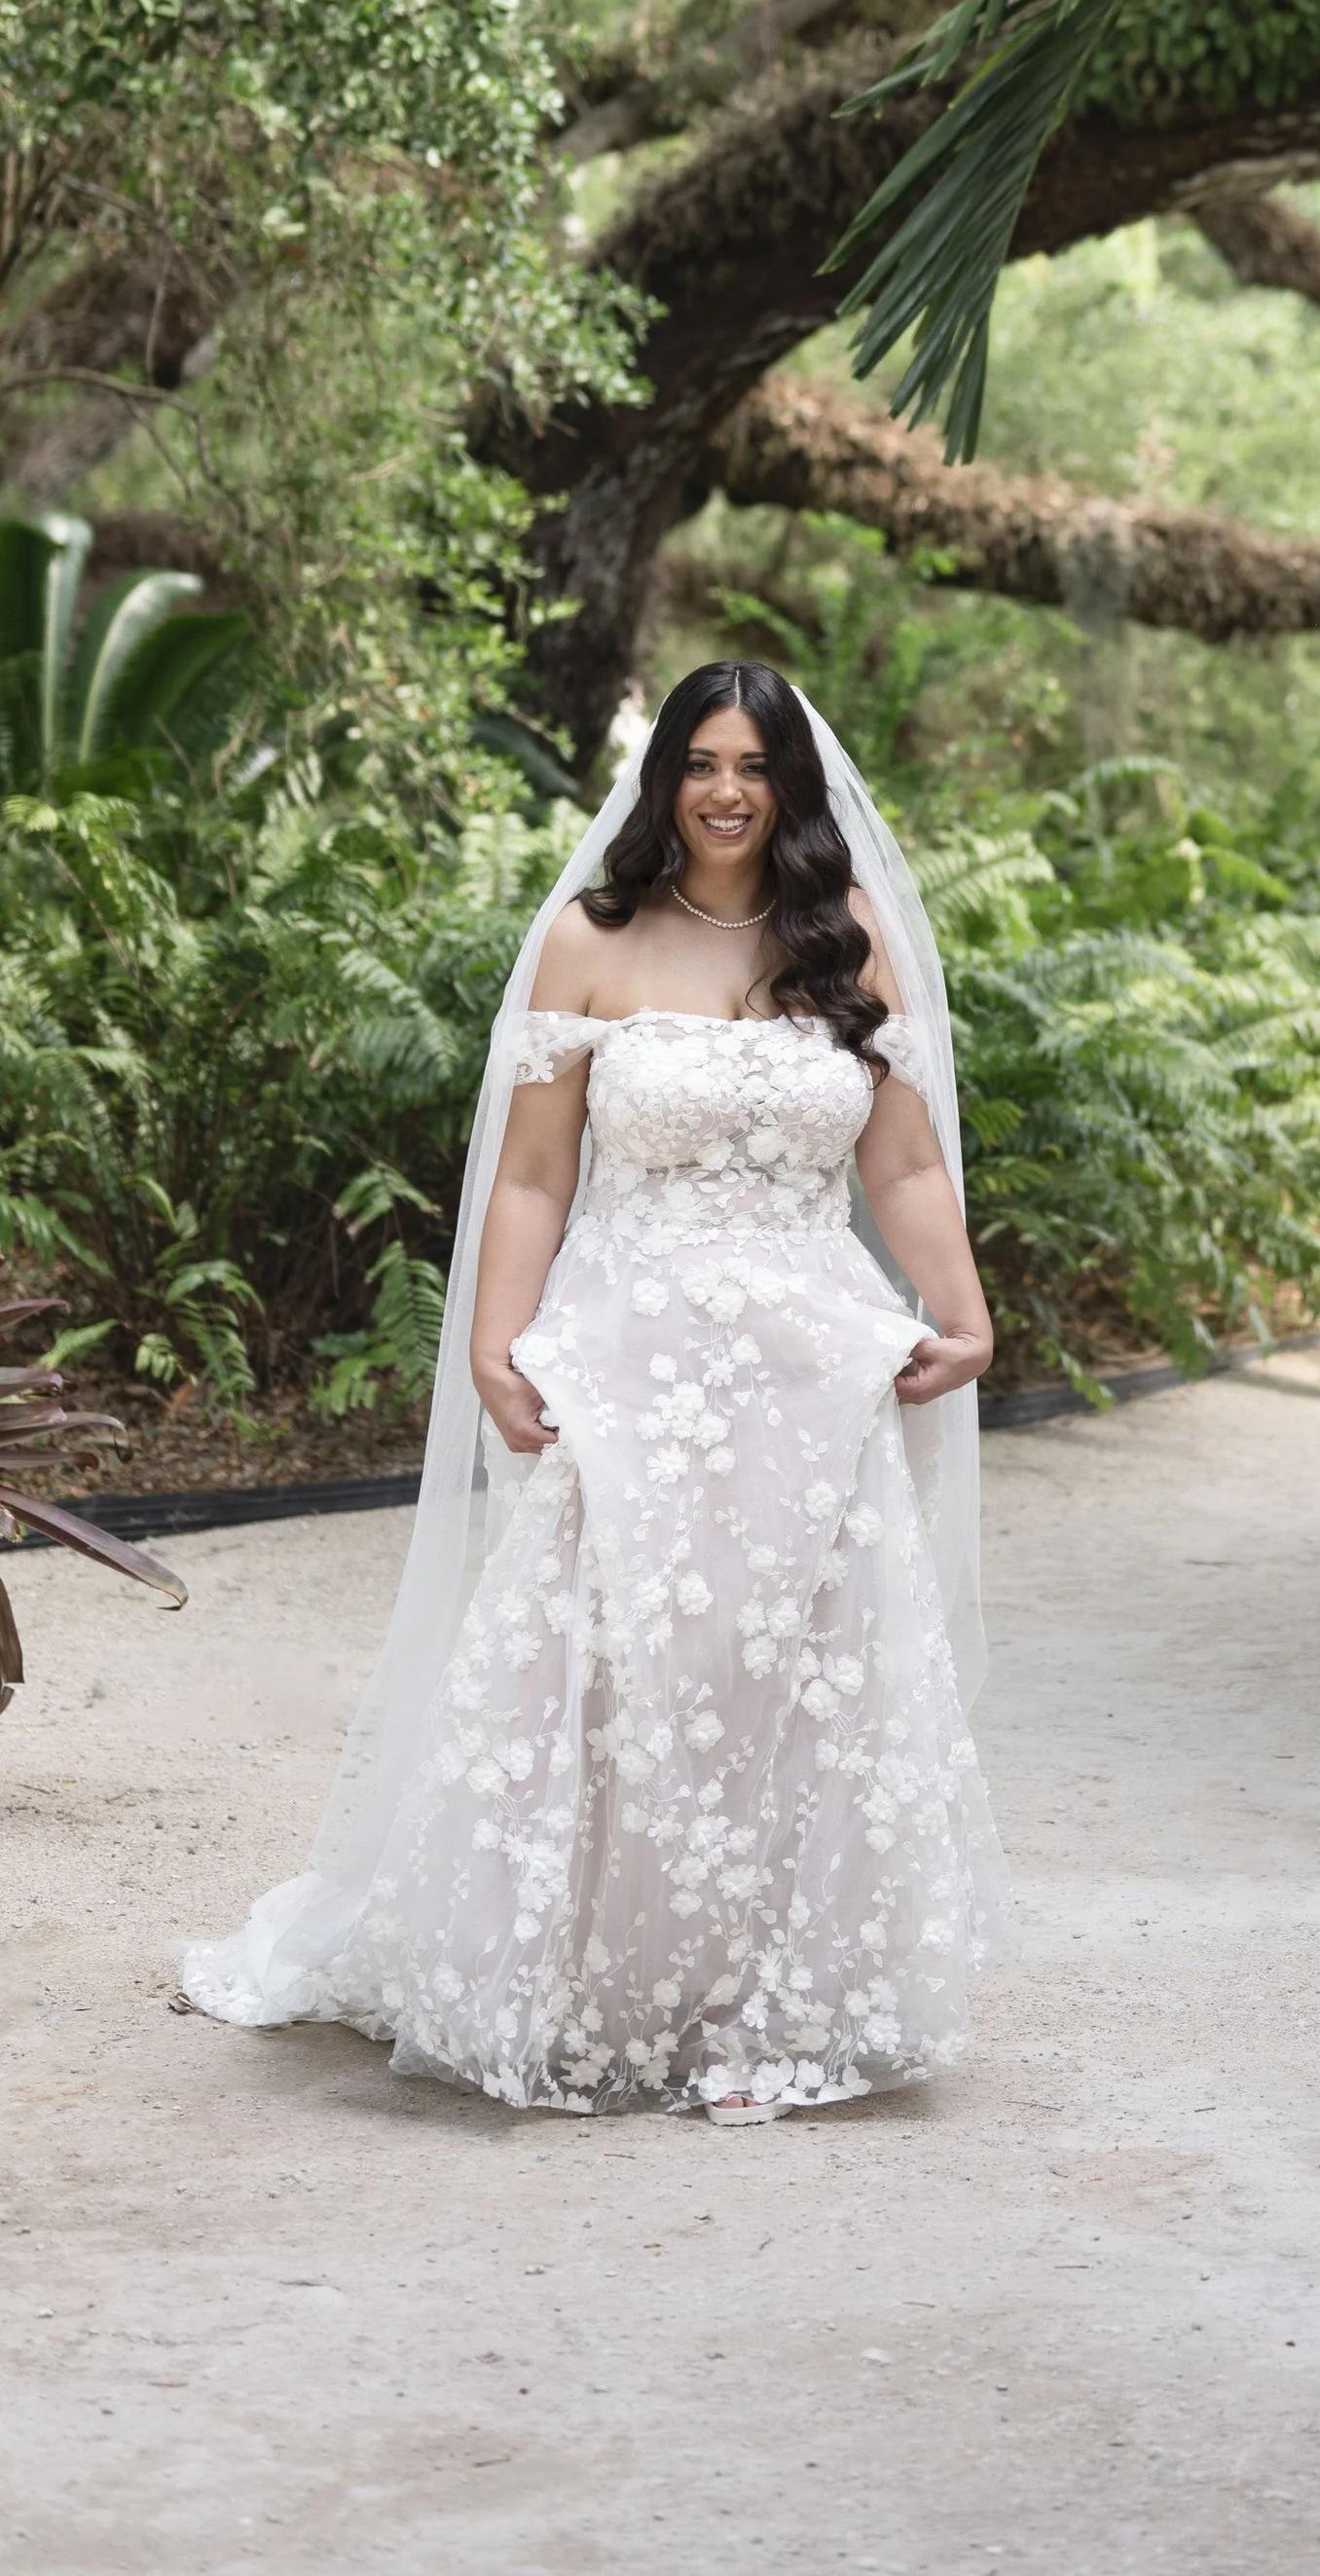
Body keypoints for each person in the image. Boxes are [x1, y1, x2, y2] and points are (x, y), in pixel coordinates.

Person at [180, 663, 1008, 2119]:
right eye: (699, 760)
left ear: (794, 785)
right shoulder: (591, 940)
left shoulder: (851, 939)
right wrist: (499, 1346)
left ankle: (773, 2000)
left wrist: (967, 1312)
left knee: (792, 1673)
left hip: (813, 1366)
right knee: (617, 1668)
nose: (726, 789)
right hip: (627, 1359)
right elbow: (536, 1172)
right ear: (662, 780)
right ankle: (593, 1991)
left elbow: (902, 1161)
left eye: (753, 764)